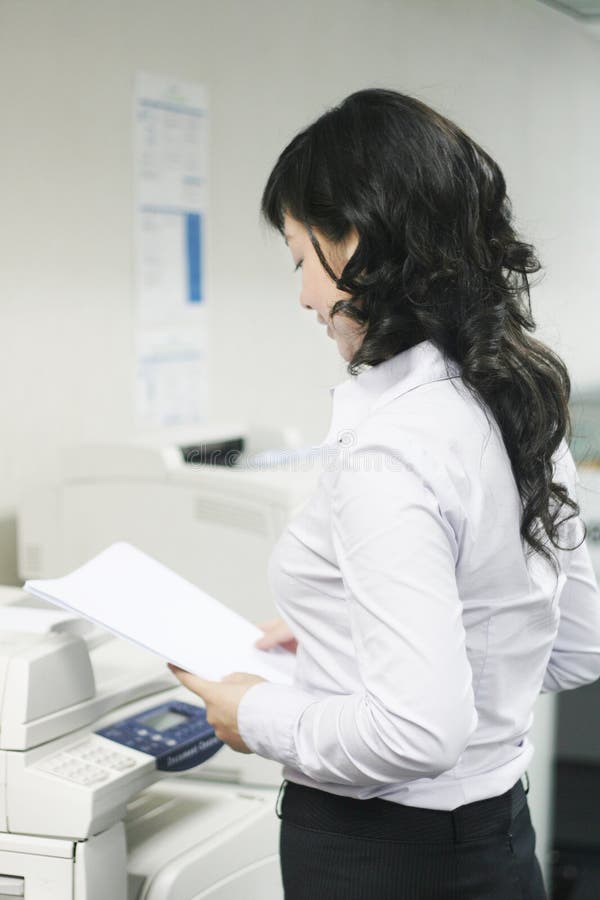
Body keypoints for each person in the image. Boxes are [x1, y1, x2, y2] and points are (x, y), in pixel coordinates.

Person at [168, 89, 600, 899]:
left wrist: (255, 715)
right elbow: (579, 643)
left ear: (356, 241)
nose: (302, 295)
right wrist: (359, 640)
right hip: (500, 847)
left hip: (380, 860)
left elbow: (415, 730)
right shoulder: (514, 399)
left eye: (301, 256)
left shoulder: (391, 449)